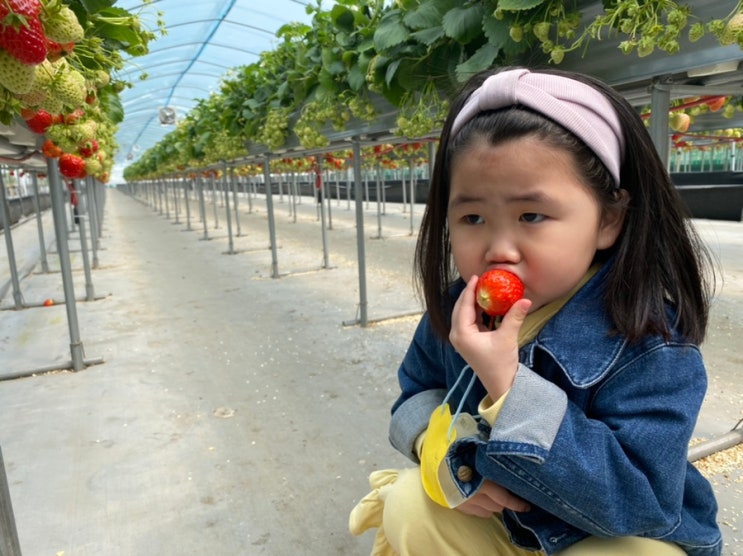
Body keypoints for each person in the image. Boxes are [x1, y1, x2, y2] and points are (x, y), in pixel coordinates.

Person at [348, 66, 722, 556]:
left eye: (532, 216)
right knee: (410, 502)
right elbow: (418, 392)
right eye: (472, 217)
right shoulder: (455, 307)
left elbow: (640, 502)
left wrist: (510, 387)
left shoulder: (648, 340)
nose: (499, 249)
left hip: (606, 533)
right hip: (505, 520)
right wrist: (435, 451)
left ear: (608, 220)